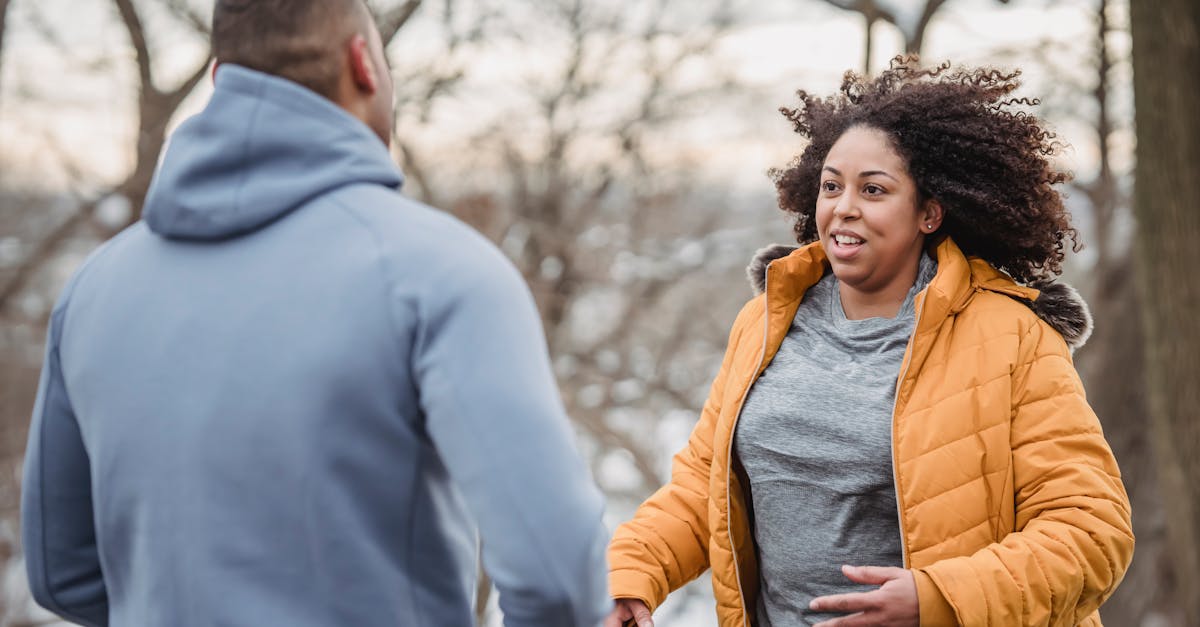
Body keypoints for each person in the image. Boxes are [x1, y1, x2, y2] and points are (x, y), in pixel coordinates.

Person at [20, 1, 611, 625]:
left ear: (221, 79)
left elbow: (61, 575)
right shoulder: (440, 274)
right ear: (362, 63)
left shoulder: (93, 289)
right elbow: (558, 578)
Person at [605, 57, 1134, 627]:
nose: (844, 207)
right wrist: (630, 577)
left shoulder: (1011, 337)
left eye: (874, 189)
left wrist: (939, 598)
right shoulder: (765, 321)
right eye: (831, 186)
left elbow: (1091, 530)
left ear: (929, 213)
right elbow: (703, 487)